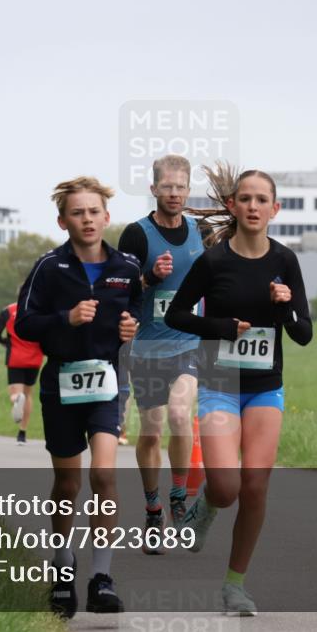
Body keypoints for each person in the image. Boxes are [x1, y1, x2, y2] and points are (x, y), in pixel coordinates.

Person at [166, 163, 313, 616]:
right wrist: (221, 326)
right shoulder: (214, 262)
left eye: (261, 200)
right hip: (220, 382)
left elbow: (304, 333)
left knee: (254, 486)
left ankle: (235, 586)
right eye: (245, 198)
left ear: (275, 209)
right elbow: (176, 315)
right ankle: (206, 508)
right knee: (226, 486)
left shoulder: (285, 261)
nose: (253, 206)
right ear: (232, 205)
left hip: (266, 386)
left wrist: (286, 308)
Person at [15, 176, 142, 618]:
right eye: (77, 212)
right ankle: (63, 567)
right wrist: (65, 319)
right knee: (68, 484)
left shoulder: (125, 267)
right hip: (61, 386)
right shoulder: (50, 268)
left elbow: (136, 313)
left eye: (93, 212)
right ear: (62, 220)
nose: (86, 219)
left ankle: (101, 577)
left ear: (106, 217)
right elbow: (24, 324)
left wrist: (132, 329)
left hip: (106, 384)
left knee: (104, 476)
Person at [118, 154, 204, 551]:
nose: (174, 193)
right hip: (147, 348)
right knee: (151, 432)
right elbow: (118, 287)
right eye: (167, 186)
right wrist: (149, 278)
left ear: (188, 190)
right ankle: (153, 508)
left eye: (181, 186)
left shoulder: (199, 231)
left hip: (188, 343)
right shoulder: (137, 235)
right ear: (154, 190)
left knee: (179, 414)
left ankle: (179, 498)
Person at [0, 298, 44, 445]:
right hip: (35, 358)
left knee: (15, 394)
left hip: (15, 356)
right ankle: (22, 432)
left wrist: (5, 342)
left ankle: (16, 398)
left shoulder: (8, 311)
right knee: (28, 394)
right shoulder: (42, 310)